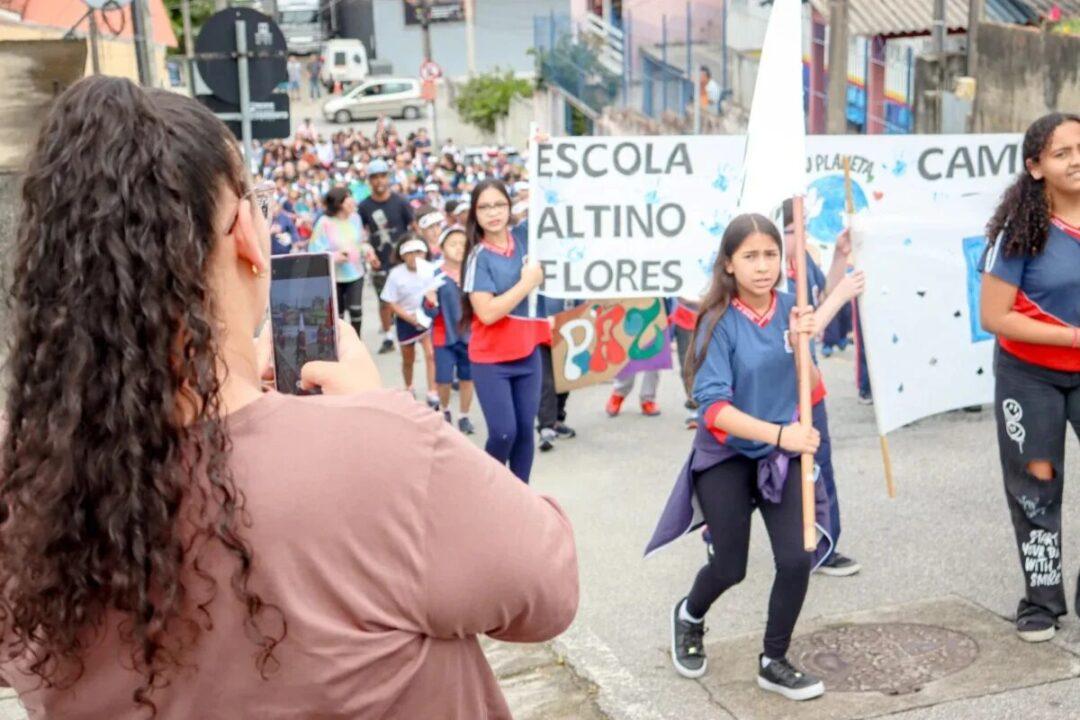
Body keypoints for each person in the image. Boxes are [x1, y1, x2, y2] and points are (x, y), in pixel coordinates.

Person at [0, 76, 579, 719]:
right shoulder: (383, 451)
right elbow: (549, 589)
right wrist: (373, 414)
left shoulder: (23, 490)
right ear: (246, 233)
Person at [648, 214, 832, 701]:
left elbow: (811, 388)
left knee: (797, 558)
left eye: (770, 254)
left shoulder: (794, 309)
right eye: (750, 256)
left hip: (781, 451)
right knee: (731, 566)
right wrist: (780, 434)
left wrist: (802, 348)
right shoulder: (716, 320)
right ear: (728, 264)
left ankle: (774, 660)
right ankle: (689, 614)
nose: (763, 266)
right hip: (728, 455)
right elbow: (714, 410)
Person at [979, 111, 1080, 643]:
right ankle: (1040, 601)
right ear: (1036, 166)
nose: (1076, 159)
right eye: (1061, 153)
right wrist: (1072, 338)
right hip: (1030, 377)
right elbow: (993, 317)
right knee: (1037, 488)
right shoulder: (1021, 231)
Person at [780, 200, 866, 577]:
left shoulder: (803, 262)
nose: (801, 235)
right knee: (764, 470)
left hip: (809, 384)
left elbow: (820, 294)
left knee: (820, 464)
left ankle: (823, 545)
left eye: (804, 226)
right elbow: (808, 325)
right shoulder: (772, 275)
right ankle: (720, 534)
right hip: (776, 390)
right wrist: (842, 294)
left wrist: (838, 258)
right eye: (794, 228)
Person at [462, 180, 551, 482]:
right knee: (503, 433)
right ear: (475, 214)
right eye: (484, 207)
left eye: (499, 204)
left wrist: (543, 154)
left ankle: (520, 499)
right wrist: (527, 283)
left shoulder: (526, 237)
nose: (493, 212)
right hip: (492, 360)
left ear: (510, 205)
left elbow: (553, 202)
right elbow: (486, 313)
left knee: (526, 432)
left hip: (528, 353)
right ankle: (489, 492)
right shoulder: (478, 256)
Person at [359, 157, 416, 355]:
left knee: (406, 297)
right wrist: (367, 251)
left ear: (388, 177)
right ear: (369, 180)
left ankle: (412, 328)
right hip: (379, 261)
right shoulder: (364, 206)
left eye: (382, 176)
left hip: (402, 260)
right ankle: (388, 336)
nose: (379, 181)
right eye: (374, 177)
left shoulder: (400, 202)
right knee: (384, 300)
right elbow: (360, 233)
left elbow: (413, 227)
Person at [423, 226, 476, 434]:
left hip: (470, 334)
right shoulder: (433, 274)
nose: (459, 248)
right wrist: (430, 302)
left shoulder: (473, 272)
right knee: (443, 379)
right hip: (443, 335)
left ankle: (464, 415)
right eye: (453, 244)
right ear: (442, 247)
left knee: (467, 377)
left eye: (463, 244)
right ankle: (444, 410)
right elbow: (428, 312)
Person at [308, 186, 373, 340]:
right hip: (334, 276)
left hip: (355, 273)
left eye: (351, 196)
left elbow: (360, 242)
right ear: (338, 203)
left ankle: (357, 341)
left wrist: (368, 251)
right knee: (339, 314)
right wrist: (335, 256)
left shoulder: (356, 218)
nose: (352, 201)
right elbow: (314, 250)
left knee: (356, 309)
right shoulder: (324, 223)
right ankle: (341, 344)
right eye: (347, 198)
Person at [381, 236, 439, 408]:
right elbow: (390, 301)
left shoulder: (431, 270)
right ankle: (409, 386)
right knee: (408, 359)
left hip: (427, 318)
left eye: (418, 252)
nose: (414, 256)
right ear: (402, 255)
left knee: (431, 354)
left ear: (425, 253)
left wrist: (429, 310)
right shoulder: (396, 274)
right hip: (406, 321)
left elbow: (436, 292)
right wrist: (409, 318)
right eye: (409, 253)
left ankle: (432, 391)